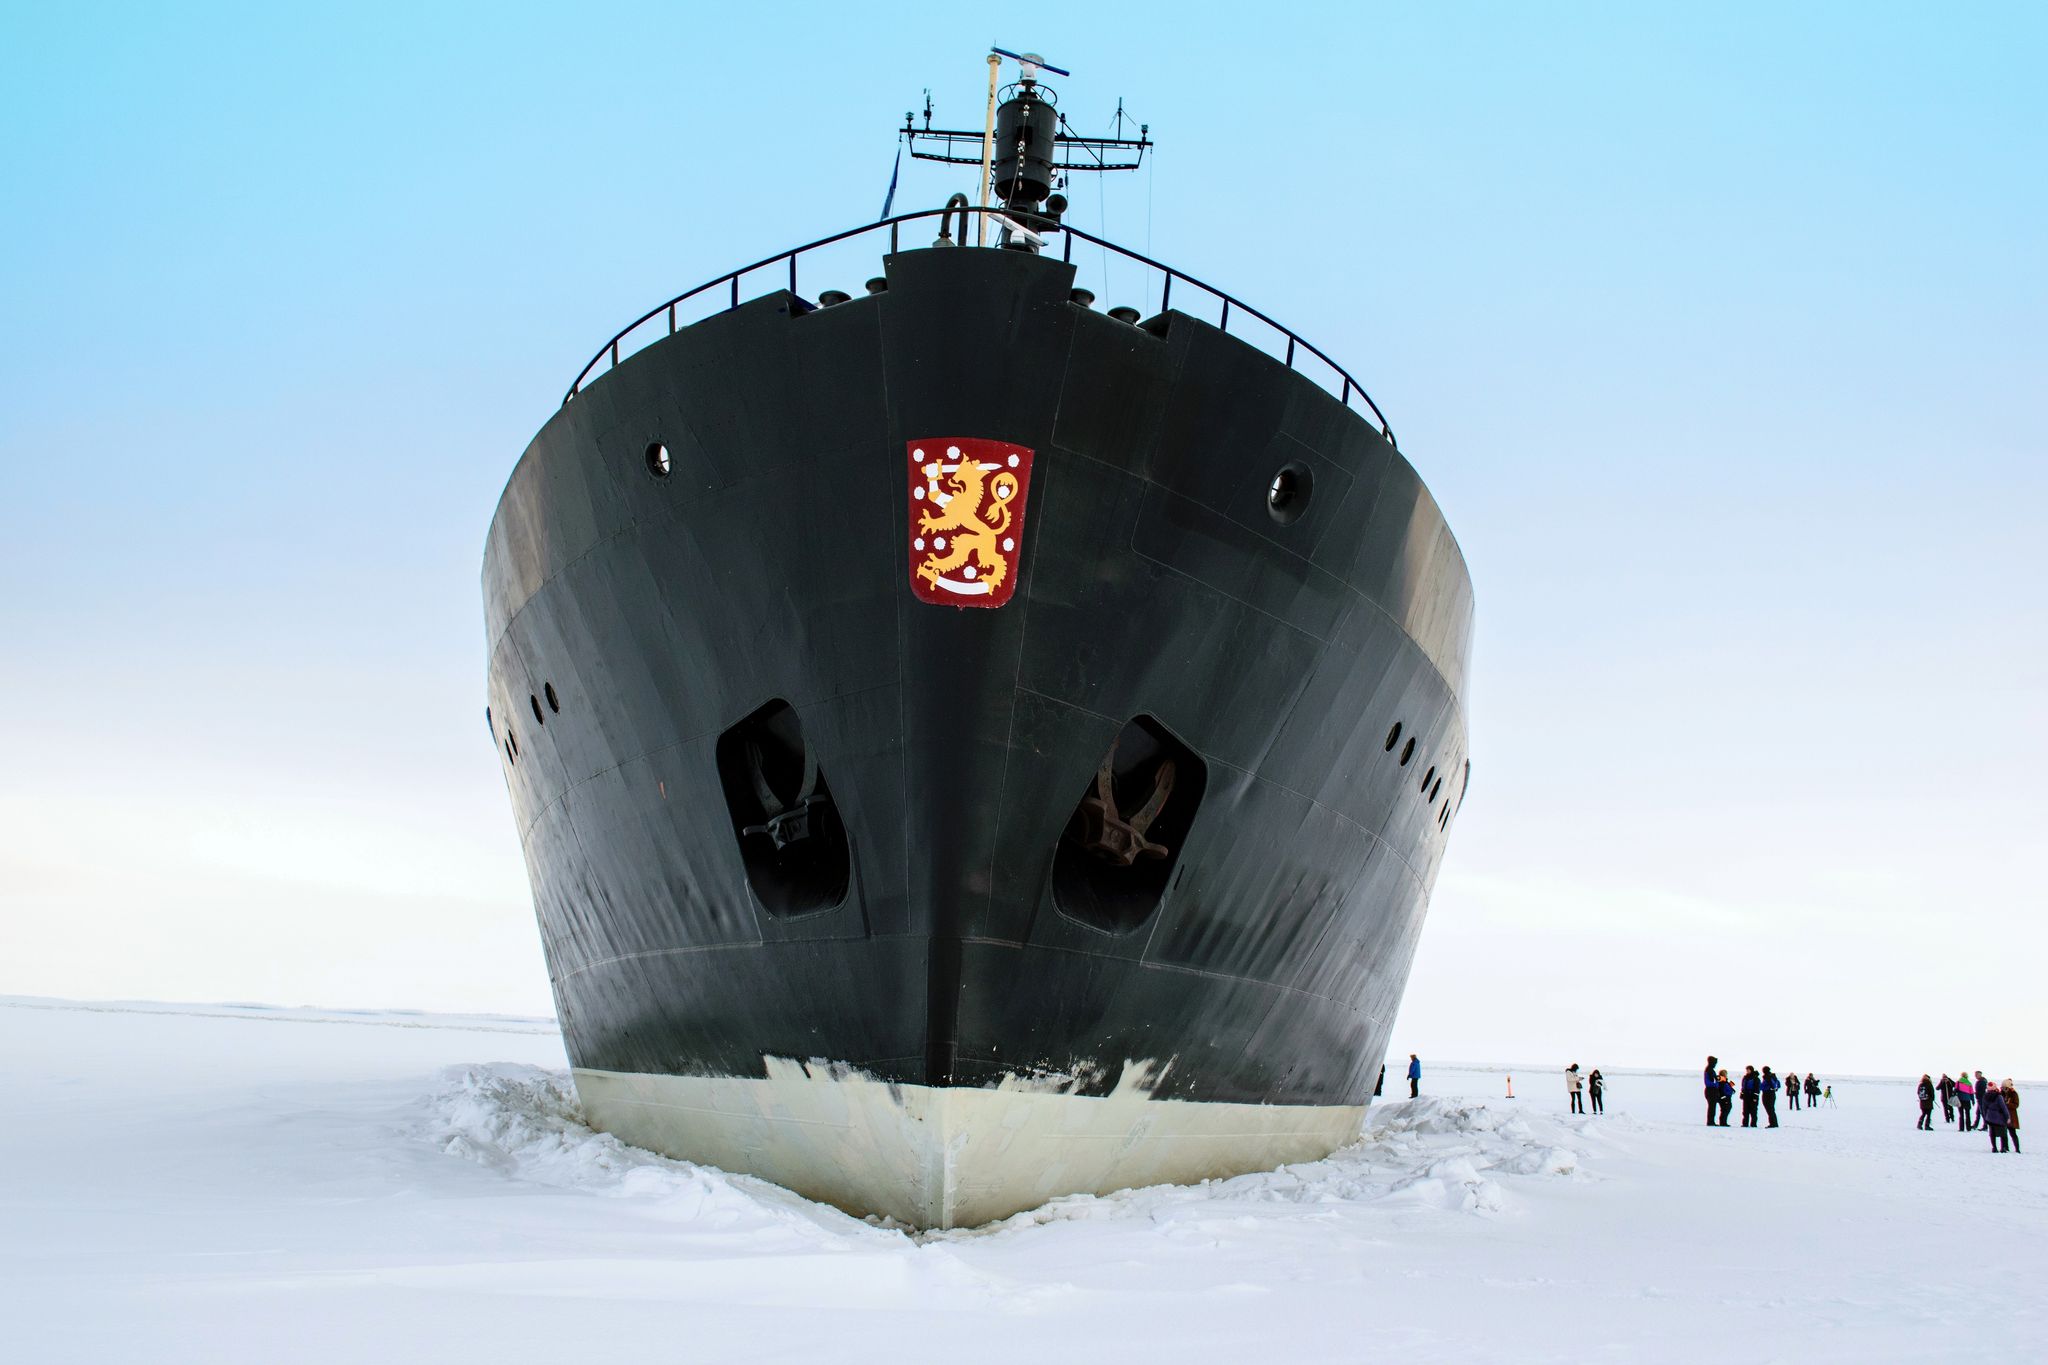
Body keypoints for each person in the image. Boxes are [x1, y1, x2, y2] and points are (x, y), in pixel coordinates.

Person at [1980, 1080, 2012, 1153]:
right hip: (1999, 1117)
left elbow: (1984, 1108)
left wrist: (1985, 1117)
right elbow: (2003, 1107)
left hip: (1989, 1117)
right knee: (2003, 1133)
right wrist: (2008, 1117)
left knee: (1992, 1133)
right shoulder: (1998, 1096)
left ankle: (1994, 1147)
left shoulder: (1985, 1096)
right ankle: (2003, 1148)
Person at [2002, 1080, 2021, 1154]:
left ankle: (2017, 1149)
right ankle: (2005, 1147)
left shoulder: (2014, 1094)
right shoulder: (2001, 1094)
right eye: (2003, 1088)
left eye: (2005, 1088)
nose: (2004, 1090)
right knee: (2003, 1133)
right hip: (2004, 1116)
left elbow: (2016, 1105)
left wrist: (2007, 1105)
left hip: (2011, 1116)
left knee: (2013, 1133)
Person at [1703, 1055, 1720, 1126]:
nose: (1715, 1065)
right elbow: (1707, 1082)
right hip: (1710, 1090)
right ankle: (1710, 1122)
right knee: (1712, 1107)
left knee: (1712, 1107)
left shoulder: (1711, 1070)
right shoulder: (1709, 1070)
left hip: (1712, 1090)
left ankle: (1711, 1121)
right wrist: (1716, 1084)